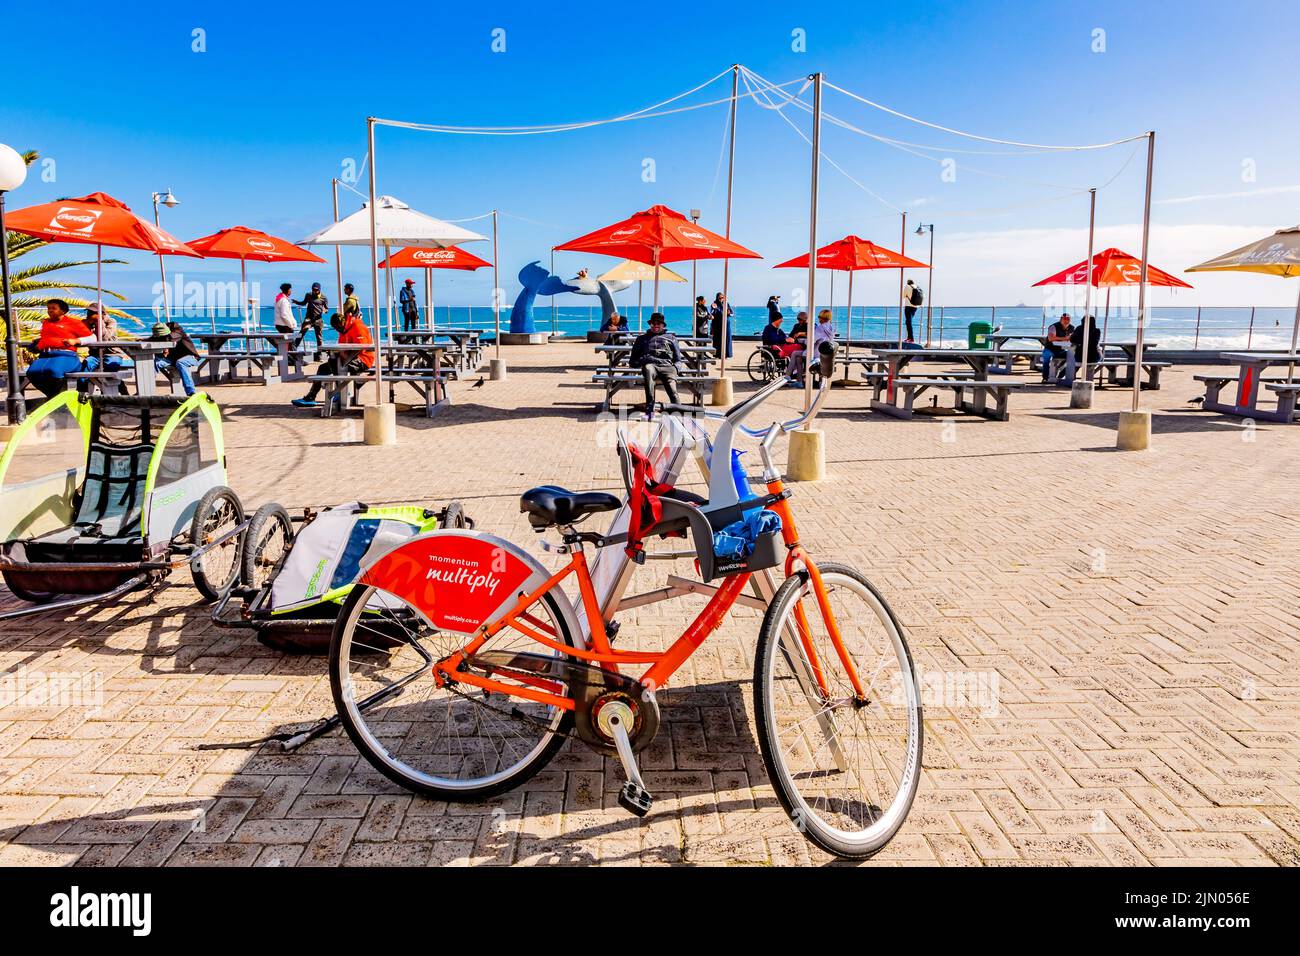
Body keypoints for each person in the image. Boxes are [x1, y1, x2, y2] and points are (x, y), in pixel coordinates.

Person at [292, 312, 375, 408]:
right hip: (347, 360)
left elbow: (361, 347)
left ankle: (339, 391)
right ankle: (311, 397)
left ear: (341, 324)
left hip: (363, 360)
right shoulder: (343, 330)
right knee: (323, 368)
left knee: (334, 363)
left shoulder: (357, 326)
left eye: (337, 328)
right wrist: (337, 353)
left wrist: (344, 357)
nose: (337, 330)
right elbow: (342, 347)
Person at [25, 299, 98, 399]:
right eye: (48, 308)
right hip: (45, 356)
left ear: (63, 311)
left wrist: (75, 341)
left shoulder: (74, 322)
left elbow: (93, 338)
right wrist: (39, 342)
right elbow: (53, 335)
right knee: (31, 373)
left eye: (53, 308)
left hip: (65, 356)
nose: (50, 310)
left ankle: (59, 400)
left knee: (54, 371)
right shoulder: (46, 323)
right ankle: (54, 398)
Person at [629, 312, 681, 417]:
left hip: (668, 366)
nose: (656, 325)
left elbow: (678, 359)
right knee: (648, 369)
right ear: (650, 324)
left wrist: (676, 368)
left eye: (659, 323)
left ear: (663, 325)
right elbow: (633, 361)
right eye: (653, 323)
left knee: (672, 390)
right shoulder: (641, 339)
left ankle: (678, 411)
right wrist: (643, 360)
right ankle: (650, 408)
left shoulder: (671, 338)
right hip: (651, 366)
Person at [151, 320, 202, 396]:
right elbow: (152, 338)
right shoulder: (160, 333)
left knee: (180, 362)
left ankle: (191, 392)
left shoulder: (178, 330)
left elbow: (172, 337)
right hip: (172, 359)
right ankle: (147, 390)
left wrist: (164, 344)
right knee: (156, 362)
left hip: (190, 357)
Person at [790, 309, 837, 386]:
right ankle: (802, 381)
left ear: (822, 317)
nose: (818, 318)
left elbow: (811, 341)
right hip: (827, 354)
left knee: (795, 354)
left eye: (819, 316)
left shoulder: (820, 328)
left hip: (816, 354)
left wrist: (803, 341)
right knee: (798, 358)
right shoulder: (832, 327)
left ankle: (794, 378)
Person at [293, 282, 328, 351]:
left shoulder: (324, 298)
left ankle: (319, 354)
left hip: (318, 319)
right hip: (308, 318)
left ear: (319, 290)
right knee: (301, 333)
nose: (314, 291)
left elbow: (326, 308)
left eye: (316, 290)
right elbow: (303, 303)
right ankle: (293, 349)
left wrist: (325, 311)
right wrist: (296, 302)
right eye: (313, 289)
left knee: (319, 338)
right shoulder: (308, 295)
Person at [1068, 314, 1101, 385]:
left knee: (1075, 360)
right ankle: (1089, 378)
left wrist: (1079, 342)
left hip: (1079, 356)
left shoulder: (1078, 329)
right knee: (1101, 356)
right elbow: (1095, 343)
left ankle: (1071, 380)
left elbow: (1071, 339)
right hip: (1093, 357)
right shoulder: (1097, 331)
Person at [1042, 311, 1074, 384]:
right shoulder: (1053, 326)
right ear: (1061, 319)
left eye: (1068, 319)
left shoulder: (1071, 328)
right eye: (1064, 319)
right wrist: (1065, 338)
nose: (1066, 320)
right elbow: (1050, 338)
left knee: (1072, 358)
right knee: (1046, 359)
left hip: (1061, 349)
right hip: (1050, 348)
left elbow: (1071, 338)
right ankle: (1045, 378)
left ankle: (1061, 375)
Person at [710, 292, 734, 359]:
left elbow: (732, 313)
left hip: (726, 323)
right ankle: (717, 354)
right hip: (718, 324)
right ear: (717, 298)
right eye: (720, 298)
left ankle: (728, 354)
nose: (721, 299)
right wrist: (716, 309)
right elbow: (712, 313)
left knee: (727, 339)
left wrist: (729, 313)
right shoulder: (714, 304)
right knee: (718, 339)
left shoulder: (726, 303)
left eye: (722, 298)